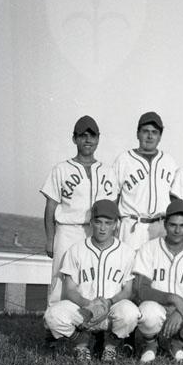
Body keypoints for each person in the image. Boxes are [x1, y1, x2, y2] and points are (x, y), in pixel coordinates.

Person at [43, 200, 139, 362]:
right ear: (91, 222)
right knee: (52, 315)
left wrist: (108, 303)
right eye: (98, 222)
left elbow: (128, 290)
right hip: (84, 310)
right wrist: (88, 305)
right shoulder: (76, 250)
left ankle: (110, 346)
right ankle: (81, 343)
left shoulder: (127, 252)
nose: (102, 228)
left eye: (108, 223)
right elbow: (70, 289)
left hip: (111, 309)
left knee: (131, 313)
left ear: (116, 225)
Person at [41, 115, 117, 303]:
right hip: (67, 231)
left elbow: (114, 208)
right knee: (61, 278)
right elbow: (50, 207)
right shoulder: (61, 169)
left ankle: (92, 317)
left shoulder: (108, 171)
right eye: (83, 135)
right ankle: (55, 319)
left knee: (92, 278)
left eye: (92, 135)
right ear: (74, 139)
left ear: (98, 139)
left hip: (97, 231)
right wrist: (50, 239)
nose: (88, 140)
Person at [132, 199, 183, 363]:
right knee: (148, 312)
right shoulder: (149, 248)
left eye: (182, 225)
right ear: (164, 224)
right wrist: (172, 298)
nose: (177, 230)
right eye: (173, 225)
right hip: (157, 307)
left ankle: (176, 344)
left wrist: (180, 311)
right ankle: (151, 344)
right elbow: (142, 289)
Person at [113, 111, 178, 250]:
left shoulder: (169, 161)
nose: (150, 136)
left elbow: (175, 200)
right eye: (145, 131)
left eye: (154, 132)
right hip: (132, 228)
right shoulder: (123, 160)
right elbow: (113, 198)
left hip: (160, 227)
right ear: (137, 134)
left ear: (160, 136)